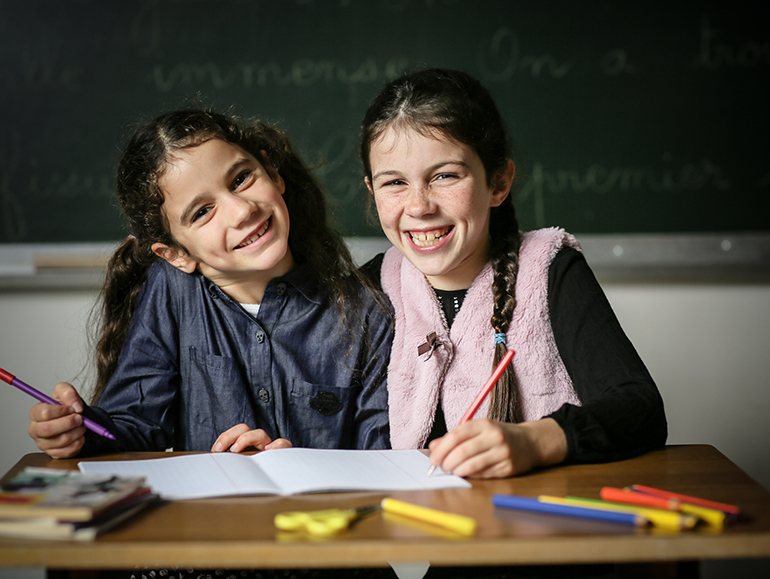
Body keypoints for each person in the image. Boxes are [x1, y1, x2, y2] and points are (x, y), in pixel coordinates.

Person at [29, 109, 392, 459]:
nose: (241, 210)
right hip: (210, 521)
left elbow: (383, 457)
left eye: (240, 179)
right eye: (202, 212)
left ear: (272, 172)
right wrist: (78, 430)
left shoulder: (366, 309)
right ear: (175, 255)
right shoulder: (173, 291)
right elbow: (135, 425)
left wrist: (299, 465)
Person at [360, 68, 667, 479]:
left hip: (534, 526)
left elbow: (640, 409)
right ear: (371, 190)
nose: (418, 206)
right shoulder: (372, 286)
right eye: (394, 182)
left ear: (499, 183)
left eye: (445, 175)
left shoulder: (550, 268)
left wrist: (535, 440)